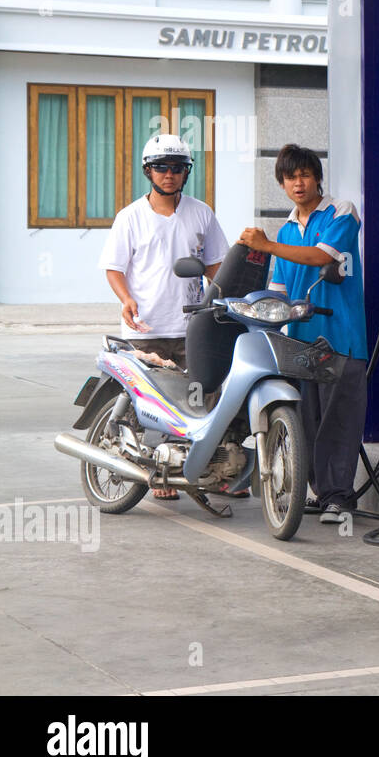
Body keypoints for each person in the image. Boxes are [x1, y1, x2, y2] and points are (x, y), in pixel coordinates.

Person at [238, 145, 368, 526]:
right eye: (290, 177)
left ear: (317, 178)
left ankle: (340, 498)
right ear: (281, 184)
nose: (299, 182)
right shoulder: (287, 229)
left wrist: (265, 245)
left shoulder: (340, 212)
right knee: (306, 419)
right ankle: (319, 492)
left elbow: (320, 256)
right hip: (300, 341)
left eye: (305, 175)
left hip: (341, 338)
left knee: (338, 420)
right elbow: (278, 289)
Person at [99, 134, 228, 500]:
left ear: (186, 172)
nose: (168, 175)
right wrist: (125, 299)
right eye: (161, 167)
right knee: (150, 405)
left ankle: (204, 469)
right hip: (146, 328)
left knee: (198, 401)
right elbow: (113, 268)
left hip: (193, 325)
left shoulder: (201, 213)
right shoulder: (130, 217)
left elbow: (217, 266)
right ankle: (154, 475)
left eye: (176, 168)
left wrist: (226, 301)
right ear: (148, 171)